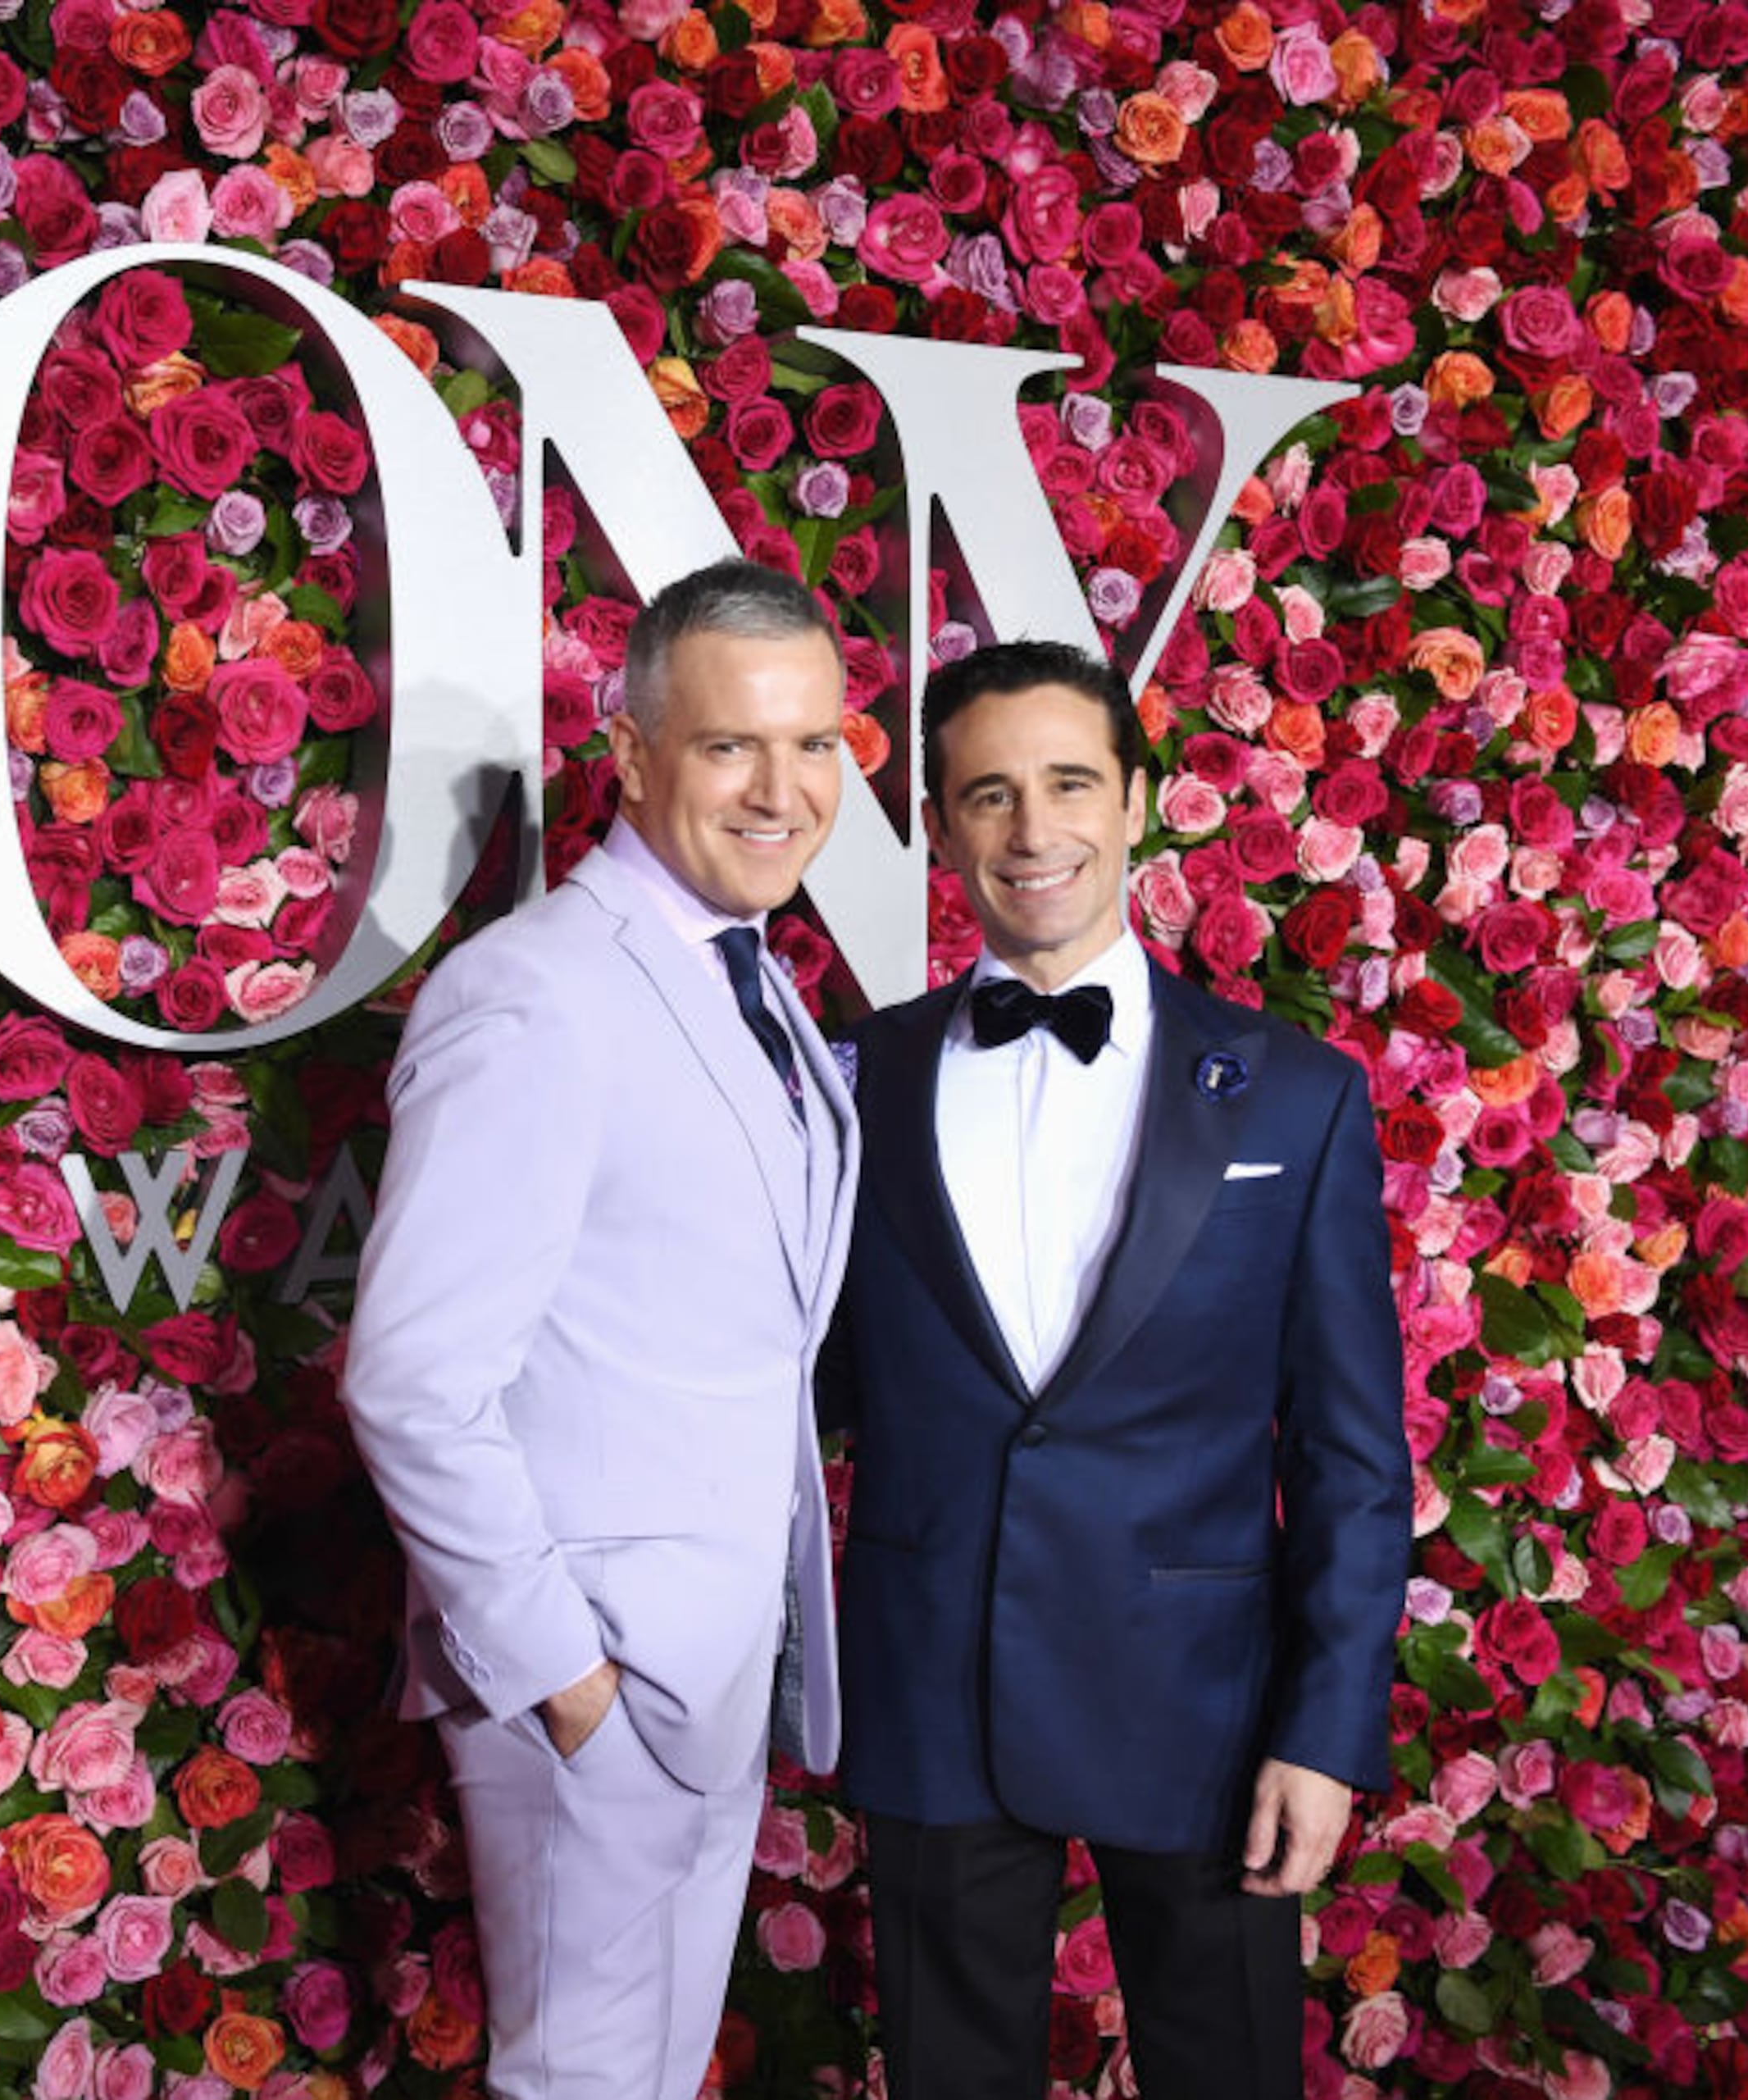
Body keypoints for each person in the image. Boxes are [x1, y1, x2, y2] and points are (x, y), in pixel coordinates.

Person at [822, 639, 1409, 2100]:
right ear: (943, 824)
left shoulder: (1295, 1092)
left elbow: (1348, 1453)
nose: (1036, 831)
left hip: (1205, 1709)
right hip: (932, 1682)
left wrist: (1328, 1732)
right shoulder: (850, 1081)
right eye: (991, 794)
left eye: (1072, 782)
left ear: (1138, 801)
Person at [341, 559, 860, 2100]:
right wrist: (567, 1674)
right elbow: (413, 1379)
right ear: (628, 756)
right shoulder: (537, 994)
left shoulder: (740, 978)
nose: (783, 790)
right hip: (601, 1685)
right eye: (729, 747)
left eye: (815, 743)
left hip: (704, 1673)